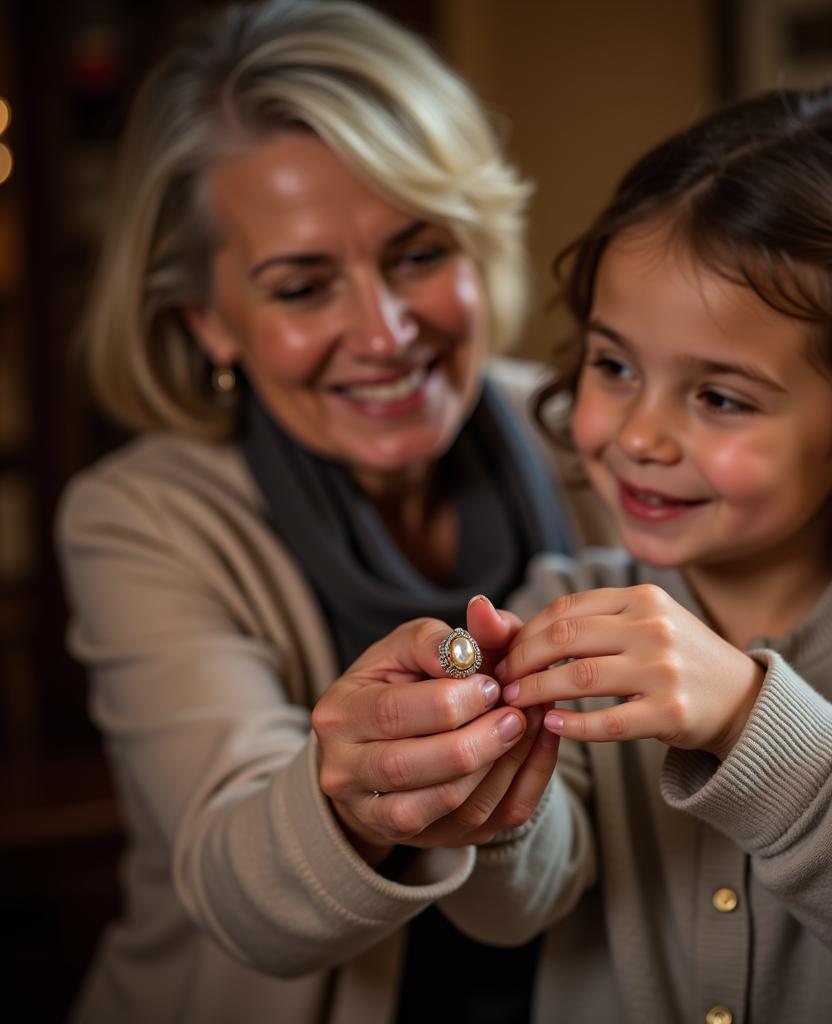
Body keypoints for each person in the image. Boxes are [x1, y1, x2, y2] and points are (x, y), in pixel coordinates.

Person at [55, 2, 612, 1022]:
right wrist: (349, 801)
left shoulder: (600, 441)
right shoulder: (137, 515)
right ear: (208, 321)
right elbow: (240, 896)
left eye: (417, 254)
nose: (384, 332)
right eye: (304, 286)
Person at [490, 86, 832, 1022]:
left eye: (721, 398)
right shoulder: (565, 604)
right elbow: (510, 912)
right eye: (614, 366)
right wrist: (481, 805)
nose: (640, 436)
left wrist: (749, 721)